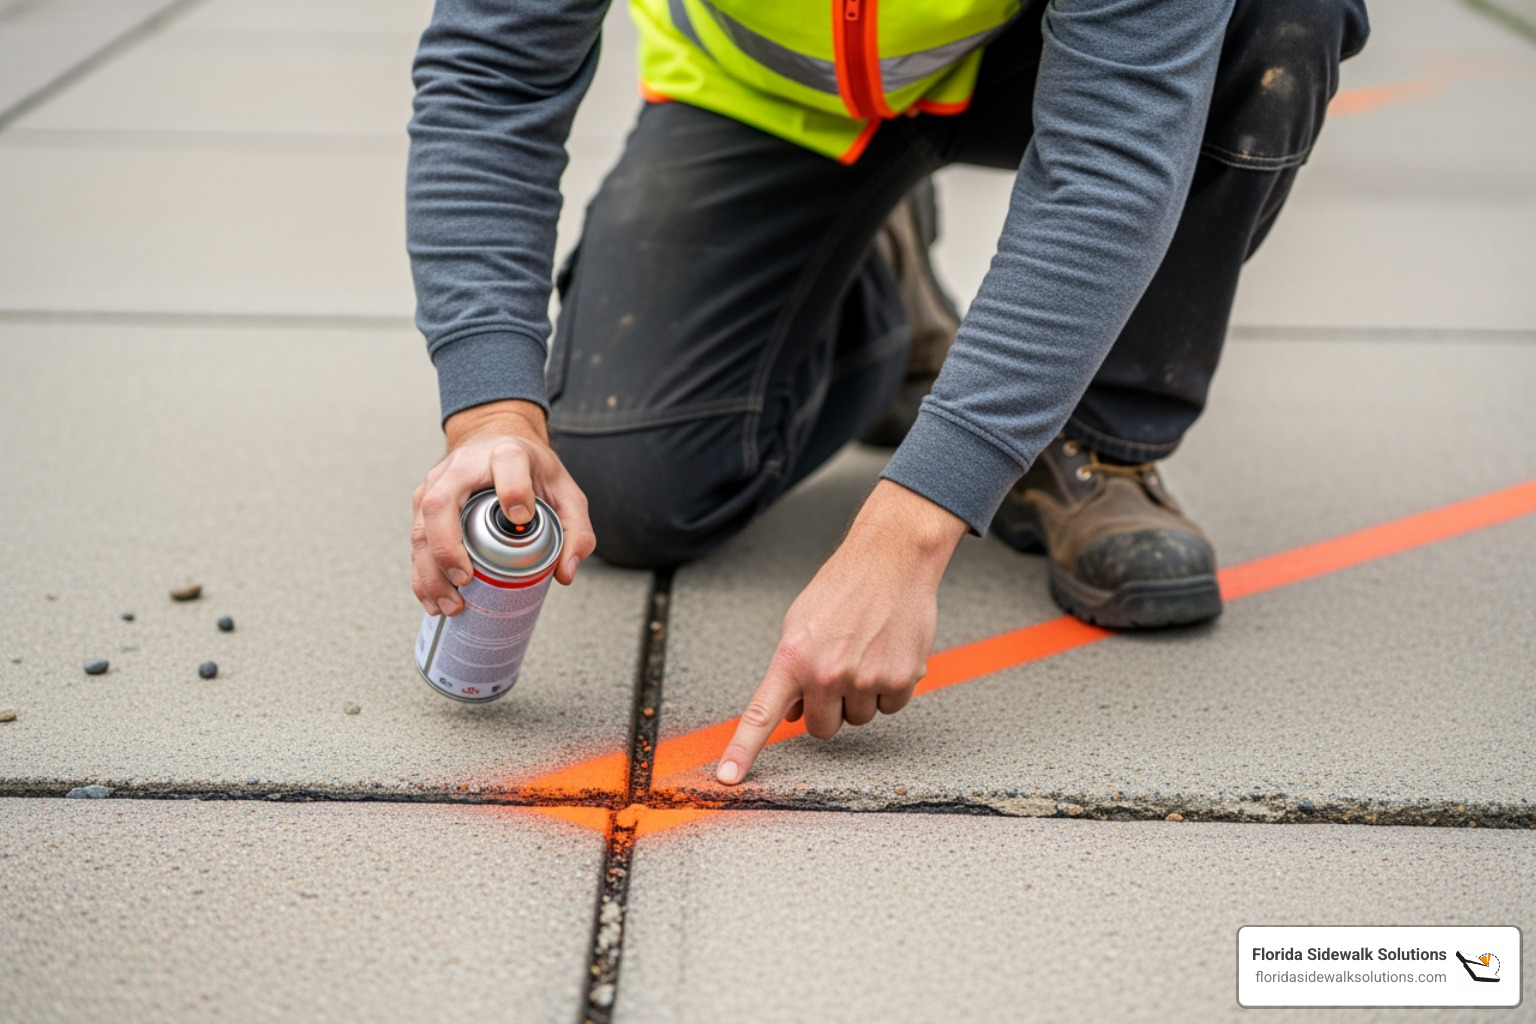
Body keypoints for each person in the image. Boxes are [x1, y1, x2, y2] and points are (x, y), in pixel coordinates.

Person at [406, 0, 1369, 785]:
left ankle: (1093, 439)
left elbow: (1112, 162)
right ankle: (876, 295)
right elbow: (494, 72)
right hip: (773, 92)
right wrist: (493, 408)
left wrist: (911, 527)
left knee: (1281, 22)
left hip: (1019, 57)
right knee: (637, 489)